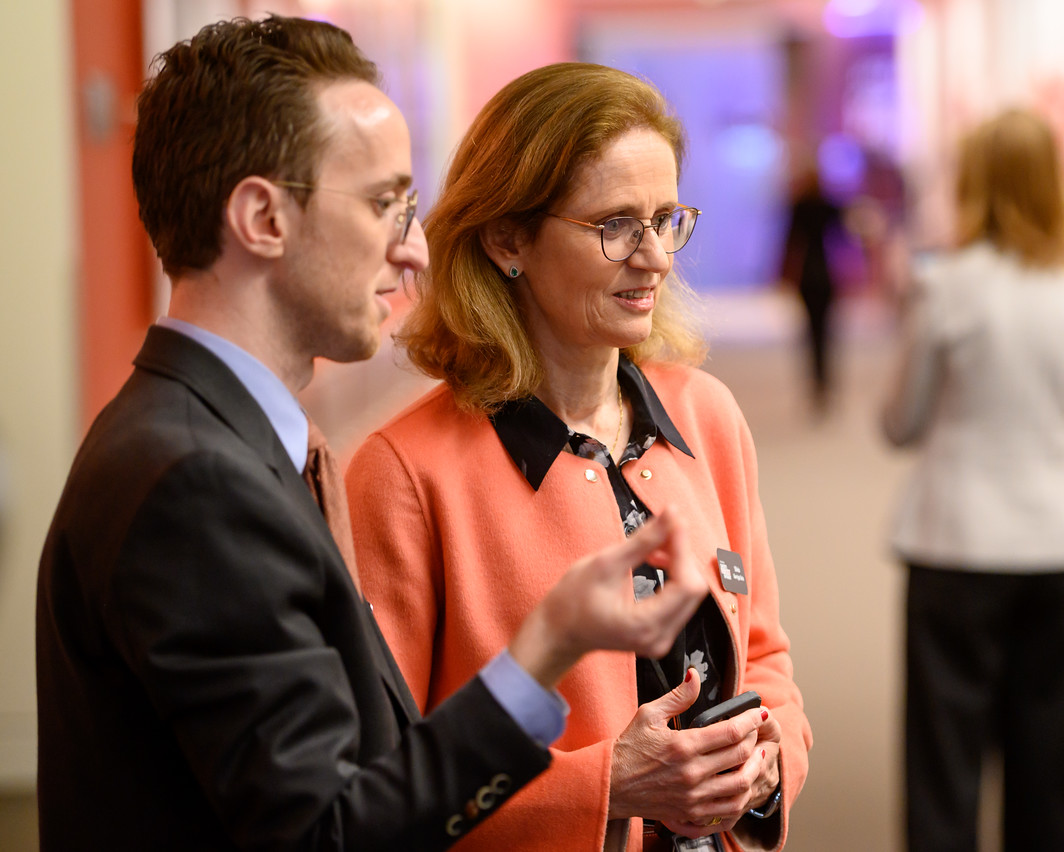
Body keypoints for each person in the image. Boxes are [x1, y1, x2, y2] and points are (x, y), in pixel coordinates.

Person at [35, 18, 708, 852]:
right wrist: (544, 650)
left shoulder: (227, 441)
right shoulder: (195, 479)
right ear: (262, 218)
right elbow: (330, 834)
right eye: (385, 204)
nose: (415, 250)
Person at [345, 62, 812, 852]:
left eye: (666, 218)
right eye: (616, 225)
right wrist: (605, 787)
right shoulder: (403, 475)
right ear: (506, 238)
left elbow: (765, 658)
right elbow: (389, 781)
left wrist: (766, 767)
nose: (657, 257)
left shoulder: (708, 418)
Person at [880, 107, 1064, 852]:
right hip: (1057, 541)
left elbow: (900, 424)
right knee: (1056, 758)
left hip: (955, 541)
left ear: (975, 183)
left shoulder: (947, 286)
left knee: (945, 760)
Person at [780, 163, 843, 418]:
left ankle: (816, 384)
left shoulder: (799, 206)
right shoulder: (829, 206)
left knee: (811, 331)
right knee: (826, 333)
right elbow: (844, 237)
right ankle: (825, 383)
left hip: (808, 275)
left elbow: (789, 242)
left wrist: (784, 274)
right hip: (827, 274)